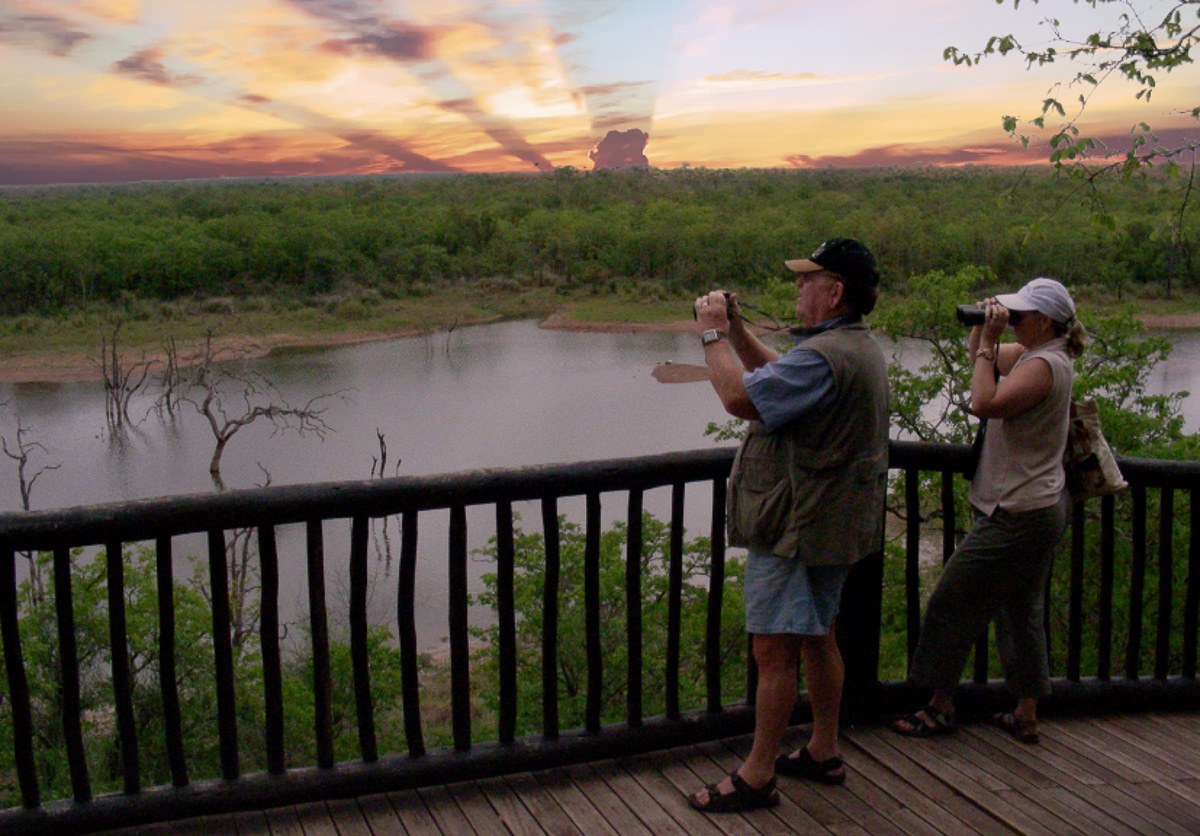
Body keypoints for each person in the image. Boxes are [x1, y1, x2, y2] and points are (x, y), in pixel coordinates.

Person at [686, 238, 890, 812]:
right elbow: (780, 375)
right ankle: (823, 749)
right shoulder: (852, 347)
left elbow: (740, 397)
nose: (799, 286)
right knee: (819, 636)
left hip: (797, 527)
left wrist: (711, 334)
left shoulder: (825, 355)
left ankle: (757, 775)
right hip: (831, 522)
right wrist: (738, 332)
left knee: (774, 650)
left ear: (835, 292)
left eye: (808, 279)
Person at [891, 277, 1086, 745]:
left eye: (1020, 314)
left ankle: (939, 706)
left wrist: (991, 337)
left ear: (1044, 321)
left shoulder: (1044, 365)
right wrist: (984, 328)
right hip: (1036, 505)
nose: (1012, 320)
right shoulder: (1042, 355)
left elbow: (983, 402)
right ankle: (1025, 713)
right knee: (1020, 611)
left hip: (1017, 510)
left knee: (951, 601)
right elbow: (984, 361)